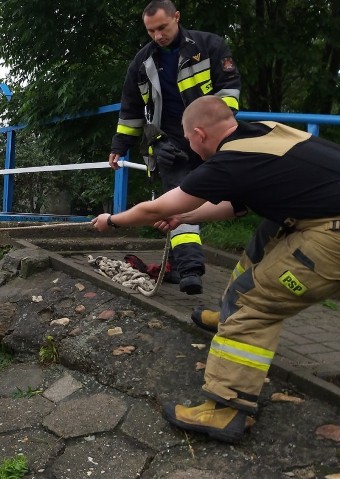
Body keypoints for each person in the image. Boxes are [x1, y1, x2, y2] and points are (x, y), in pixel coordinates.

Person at [92, 96, 340, 443]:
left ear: (199, 134)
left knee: (253, 301)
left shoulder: (230, 160)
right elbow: (233, 206)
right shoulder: (262, 134)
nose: (191, 147)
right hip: (316, 217)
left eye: (189, 140)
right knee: (263, 240)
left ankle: (226, 409)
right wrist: (184, 217)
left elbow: (154, 209)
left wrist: (112, 221)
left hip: (331, 235)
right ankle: (229, 316)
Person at [108, 0, 241, 296]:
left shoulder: (210, 46)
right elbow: (131, 110)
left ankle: (186, 267)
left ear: (176, 18)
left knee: (235, 196)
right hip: (168, 144)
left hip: (211, 140)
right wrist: (120, 146)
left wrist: (216, 133)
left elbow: (229, 94)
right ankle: (190, 269)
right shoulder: (142, 63)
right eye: (151, 30)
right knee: (177, 202)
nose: (157, 35)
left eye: (162, 28)